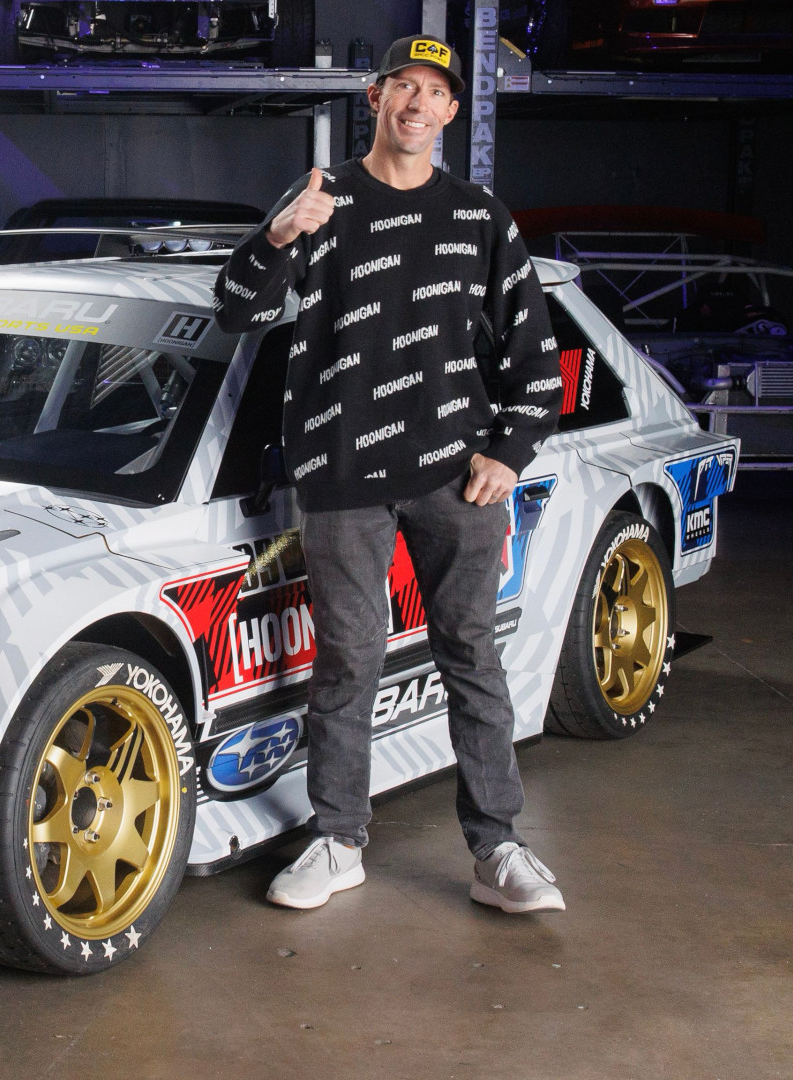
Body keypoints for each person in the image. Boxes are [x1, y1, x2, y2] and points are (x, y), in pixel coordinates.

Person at [212, 34, 567, 915]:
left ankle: (498, 850)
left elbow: (534, 353)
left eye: (433, 92)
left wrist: (509, 452)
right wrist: (279, 234)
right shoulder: (320, 199)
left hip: (458, 475)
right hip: (343, 476)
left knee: (472, 655)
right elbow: (237, 310)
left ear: (451, 111)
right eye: (402, 86)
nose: (416, 103)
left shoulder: (481, 216)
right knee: (348, 660)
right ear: (374, 98)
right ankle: (338, 843)